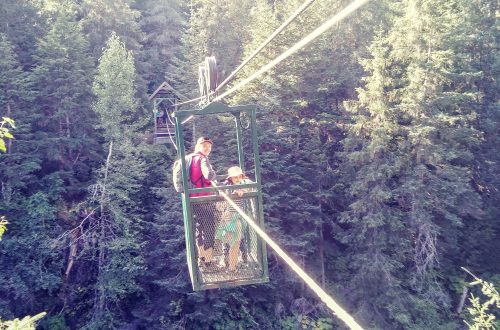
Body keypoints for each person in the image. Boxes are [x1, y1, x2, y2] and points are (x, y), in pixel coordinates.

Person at [215, 166, 253, 273]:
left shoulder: (243, 183)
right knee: (228, 240)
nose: (237, 179)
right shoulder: (228, 186)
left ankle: (239, 260)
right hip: (228, 216)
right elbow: (222, 197)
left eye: (239, 176)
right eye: (234, 177)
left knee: (239, 239)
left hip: (237, 216)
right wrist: (234, 191)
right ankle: (228, 262)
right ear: (230, 178)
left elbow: (251, 186)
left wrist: (242, 189)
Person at [189, 137, 218, 271]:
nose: (207, 148)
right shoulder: (202, 159)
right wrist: (213, 173)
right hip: (204, 200)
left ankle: (202, 258)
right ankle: (208, 261)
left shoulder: (191, 158)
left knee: (199, 229)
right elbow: (208, 175)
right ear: (199, 146)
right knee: (209, 229)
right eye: (204, 146)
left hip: (193, 200)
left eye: (209, 146)